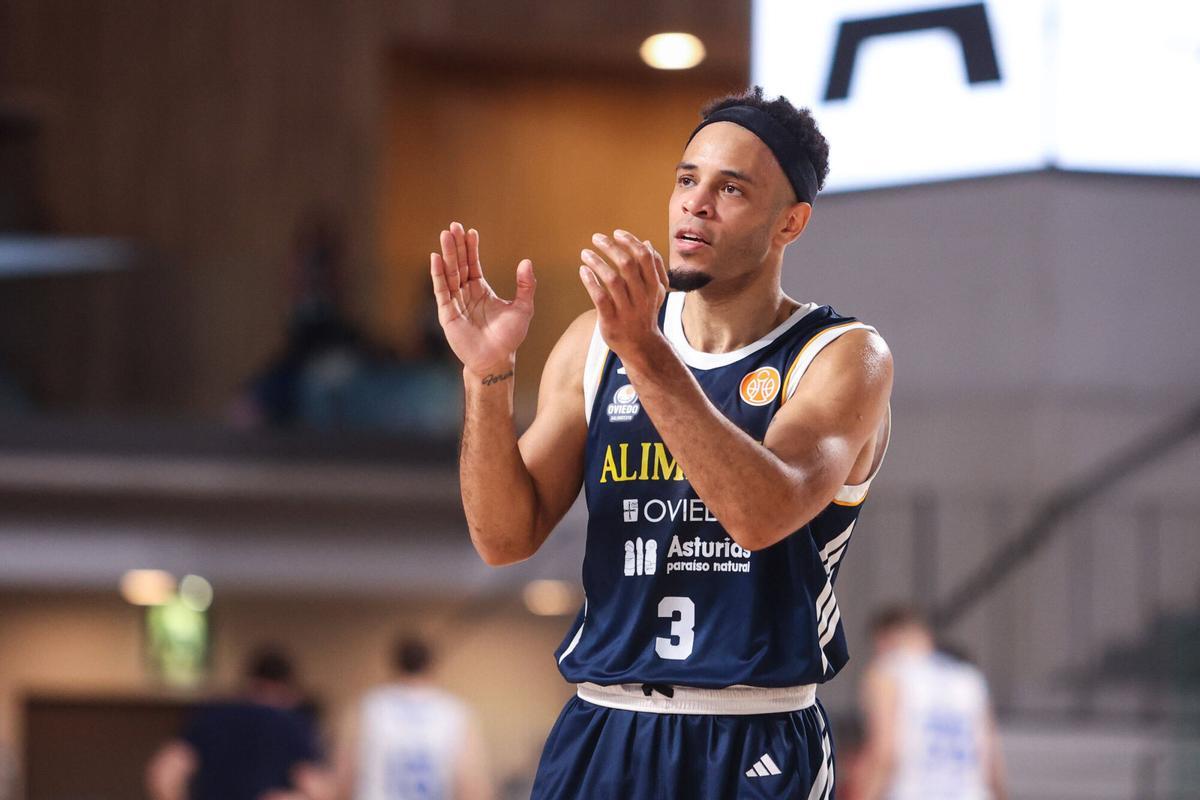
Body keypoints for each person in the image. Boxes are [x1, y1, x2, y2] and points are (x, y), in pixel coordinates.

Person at [429, 85, 893, 798]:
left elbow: (763, 514)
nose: (695, 204)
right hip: (602, 725)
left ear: (789, 223)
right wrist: (488, 376)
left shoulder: (840, 357)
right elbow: (503, 536)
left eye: (730, 189)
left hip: (753, 737)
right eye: (687, 180)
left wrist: (646, 354)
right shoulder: (596, 342)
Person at [856, 607, 1007, 800]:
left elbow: (885, 753)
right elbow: (992, 762)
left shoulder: (887, 674)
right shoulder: (969, 678)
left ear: (884, 639)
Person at [146, 647, 333, 800]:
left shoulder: (211, 718)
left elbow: (165, 773)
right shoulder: (292, 725)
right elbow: (317, 789)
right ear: (288, 689)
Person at [335, 635, 492, 800]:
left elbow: (344, 778)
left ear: (395, 665)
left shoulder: (367, 708)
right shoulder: (455, 713)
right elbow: (472, 785)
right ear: (432, 666)